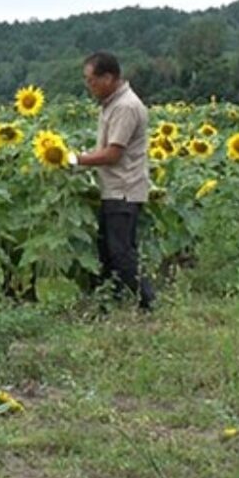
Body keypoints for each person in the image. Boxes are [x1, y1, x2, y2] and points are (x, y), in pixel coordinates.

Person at [66, 51, 156, 312]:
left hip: (124, 190)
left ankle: (148, 303)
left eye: (91, 80)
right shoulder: (113, 104)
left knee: (121, 253)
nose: (88, 86)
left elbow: (113, 153)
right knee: (108, 251)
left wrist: (76, 160)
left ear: (108, 77)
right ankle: (111, 302)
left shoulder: (125, 107)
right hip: (115, 188)